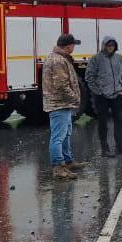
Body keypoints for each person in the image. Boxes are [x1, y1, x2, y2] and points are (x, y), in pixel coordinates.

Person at [42, 33, 87, 179]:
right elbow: (61, 85)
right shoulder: (58, 61)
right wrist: (75, 98)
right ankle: (58, 168)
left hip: (62, 104)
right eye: (73, 45)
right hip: (59, 104)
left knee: (65, 134)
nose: (74, 47)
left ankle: (68, 161)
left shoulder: (57, 58)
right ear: (68, 46)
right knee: (58, 137)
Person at [85, 36, 122, 156]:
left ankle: (120, 147)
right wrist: (97, 91)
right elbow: (89, 77)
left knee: (119, 121)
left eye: (112, 45)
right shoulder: (96, 59)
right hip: (101, 97)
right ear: (104, 46)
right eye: (108, 45)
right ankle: (105, 149)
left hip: (117, 95)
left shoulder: (119, 58)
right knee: (103, 123)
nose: (110, 47)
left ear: (115, 46)